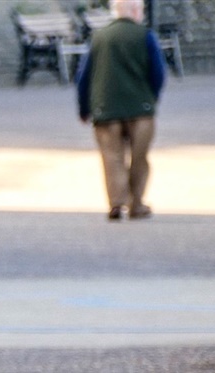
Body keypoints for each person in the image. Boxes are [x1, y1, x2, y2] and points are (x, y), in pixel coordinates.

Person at [76, 0, 165, 221]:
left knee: (112, 157)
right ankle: (136, 203)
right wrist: (150, 98)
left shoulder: (99, 37)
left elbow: (83, 77)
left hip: (106, 108)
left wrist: (84, 108)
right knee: (139, 157)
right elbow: (158, 72)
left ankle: (116, 204)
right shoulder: (145, 35)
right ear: (135, 11)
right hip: (140, 109)